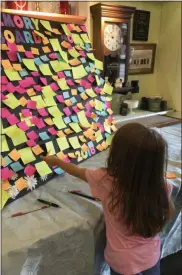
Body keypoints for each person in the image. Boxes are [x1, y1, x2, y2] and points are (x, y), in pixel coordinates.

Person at [41, 123, 174, 275]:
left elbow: (77, 172)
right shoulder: (163, 186)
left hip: (122, 262)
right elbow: (166, 211)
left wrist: (56, 161)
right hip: (151, 256)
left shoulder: (105, 180)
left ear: (119, 156)